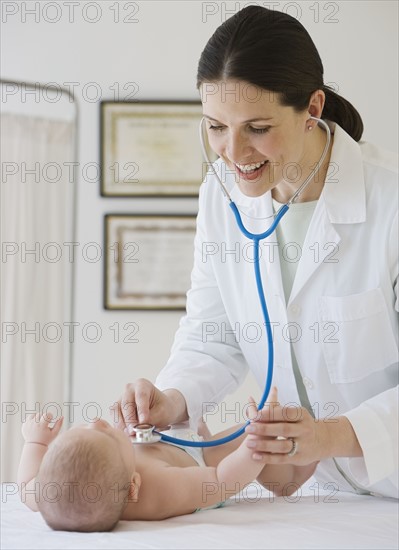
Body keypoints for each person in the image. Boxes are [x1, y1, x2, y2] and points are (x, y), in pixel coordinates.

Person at [115, 6, 398, 499]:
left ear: (312, 108)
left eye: (258, 128)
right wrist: (171, 399)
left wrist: (326, 436)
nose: (234, 152)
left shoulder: (389, 202)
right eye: (216, 127)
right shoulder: (219, 197)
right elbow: (211, 335)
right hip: (329, 497)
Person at [17, 390, 318, 532]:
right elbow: (221, 481)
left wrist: (36, 441)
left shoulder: (50, 495)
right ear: (133, 484)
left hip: (169, 445)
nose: (95, 421)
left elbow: (25, 485)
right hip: (200, 464)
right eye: (108, 435)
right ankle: (289, 475)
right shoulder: (158, 489)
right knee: (259, 436)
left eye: (80, 429)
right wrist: (252, 448)